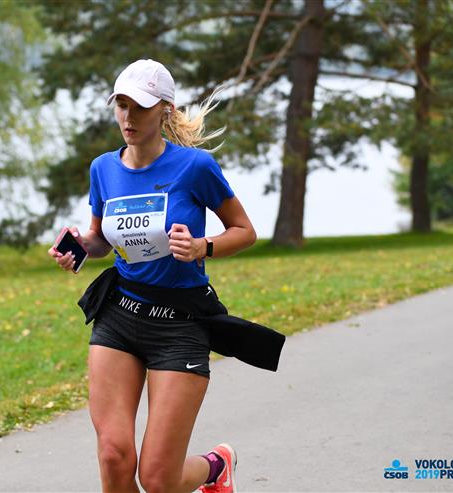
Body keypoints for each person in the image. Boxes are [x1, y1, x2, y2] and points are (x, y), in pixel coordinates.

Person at [49, 59, 285, 493]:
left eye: (140, 107)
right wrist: (80, 247)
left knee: (158, 480)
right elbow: (101, 240)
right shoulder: (103, 169)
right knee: (113, 455)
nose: (128, 117)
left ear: (165, 111)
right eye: (121, 105)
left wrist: (201, 247)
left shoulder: (195, 167)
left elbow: (244, 231)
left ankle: (215, 467)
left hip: (180, 326)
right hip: (120, 316)